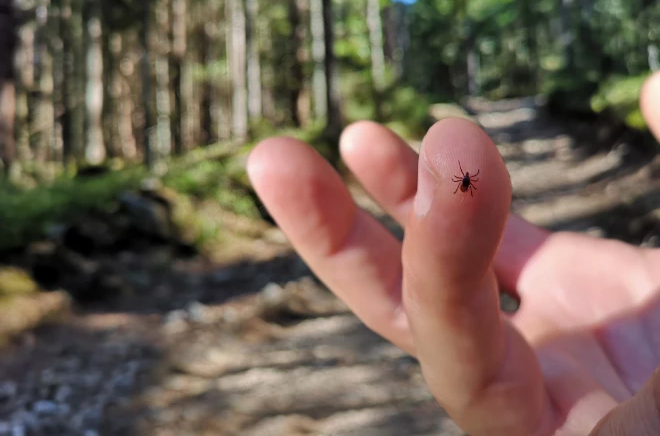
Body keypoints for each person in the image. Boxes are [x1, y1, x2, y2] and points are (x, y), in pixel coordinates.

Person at [246, 72, 660, 436]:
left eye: (464, 179)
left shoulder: (467, 180)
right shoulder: (466, 179)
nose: (464, 179)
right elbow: (469, 178)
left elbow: (470, 178)